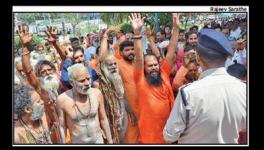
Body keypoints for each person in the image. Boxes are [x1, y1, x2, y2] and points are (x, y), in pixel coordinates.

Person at [163, 29, 246, 144]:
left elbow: (169, 135)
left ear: (197, 58)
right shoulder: (243, 89)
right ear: (227, 57)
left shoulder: (188, 94)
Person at [129, 13, 179, 143]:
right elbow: (139, 57)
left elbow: (172, 49)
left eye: (155, 64)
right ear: (144, 68)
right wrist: (137, 33)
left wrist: (176, 28)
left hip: (169, 132)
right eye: (150, 66)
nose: (153, 67)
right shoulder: (140, 78)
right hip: (150, 135)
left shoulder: (163, 73)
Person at [17, 24, 62, 143]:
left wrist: (56, 43)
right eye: (43, 72)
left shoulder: (62, 84)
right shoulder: (41, 90)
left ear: (54, 70)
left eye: (49, 70)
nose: (47, 73)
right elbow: (28, 71)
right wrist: (25, 46)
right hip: (52, 130)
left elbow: (65, 59)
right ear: (39, 76)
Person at [56, 63, 113, 143]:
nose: (87, 83)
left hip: (98, 141)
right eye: (82, 81)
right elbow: (62, 127)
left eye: (88, 79)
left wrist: (110, 142)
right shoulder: (62, 100)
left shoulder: (97, 94)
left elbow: (103, 119)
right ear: (72, 83)